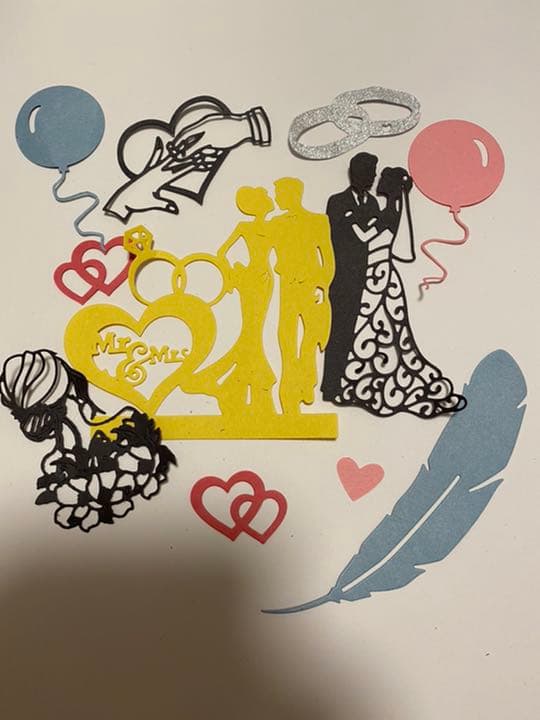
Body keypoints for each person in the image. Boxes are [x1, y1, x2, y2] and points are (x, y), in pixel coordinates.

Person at [331, 166, 466, 417]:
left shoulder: (385, 213)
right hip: (378, 273)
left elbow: (364, 237)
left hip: (376, 275)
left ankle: (360, 377)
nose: (376, 182)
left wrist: (355, 221)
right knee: (384, 326)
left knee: (372, 325)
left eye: (380, 179)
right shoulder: (387, 210)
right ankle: (360, 374)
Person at [270, 178, 334, 414]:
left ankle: (307, 377)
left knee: (311, 336)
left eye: (279, 194)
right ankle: (289, 388)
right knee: (286, 337)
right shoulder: (276, 223)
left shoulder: (318, 221)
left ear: (292, 194)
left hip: (310, 287)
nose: (276, 198)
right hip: (287, 288)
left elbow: (327, 257)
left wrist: (322, 286)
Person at [321, 152, 380, 401]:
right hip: (340, 277)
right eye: (370, 173)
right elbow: (338, 234)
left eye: (374, 173)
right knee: (337, 331)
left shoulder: (373, 203)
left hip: (364, 277)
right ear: (357, 174)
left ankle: (346, 383)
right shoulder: (337, 202)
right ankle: (330, 386)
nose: (373, 177)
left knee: (358, 330)